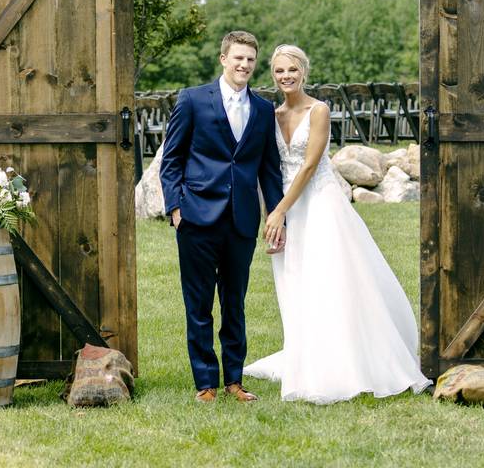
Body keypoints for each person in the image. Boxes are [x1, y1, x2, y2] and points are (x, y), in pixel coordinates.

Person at [244, 44, 431, 404]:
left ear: (304, 71)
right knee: (294, 280)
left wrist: (279, 209)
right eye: (279, 71)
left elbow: (310, 165)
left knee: (329, 278)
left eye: (292, 70)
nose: (286, 76)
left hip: (318, 203)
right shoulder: (272, 113)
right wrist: (274, 215)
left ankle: (344, 359)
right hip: (285, 207)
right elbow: (269, 166)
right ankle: (305, 353)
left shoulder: (319, 110)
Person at [160, 30, 285, 403]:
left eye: (250, 59)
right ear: (223, 59)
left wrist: (277, 216)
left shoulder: (263, 110)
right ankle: (205, 384)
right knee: (198, 304)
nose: (244, 65)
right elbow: (172, 160)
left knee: (235, 303)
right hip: (196, 218)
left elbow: (269, 169)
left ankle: (234, 380)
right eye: (238, 58)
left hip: (241, 221)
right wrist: (175, 208)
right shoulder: (194, 99)